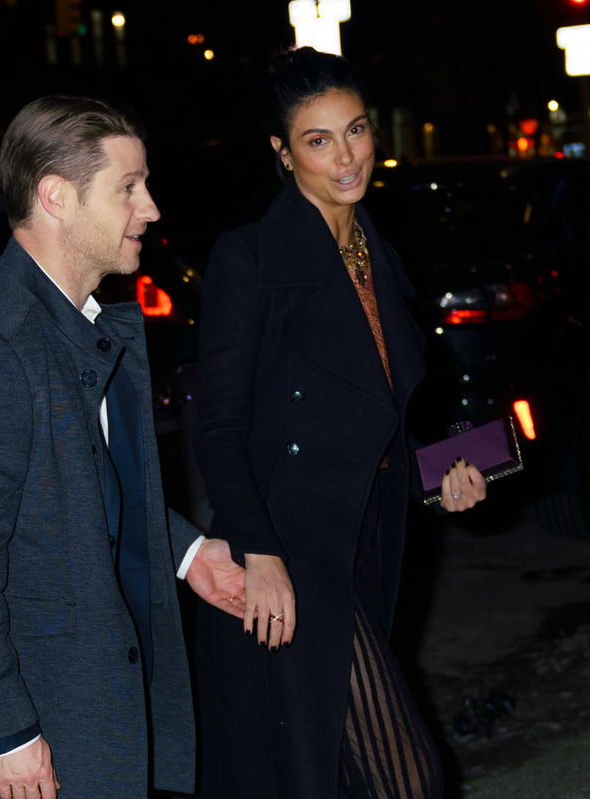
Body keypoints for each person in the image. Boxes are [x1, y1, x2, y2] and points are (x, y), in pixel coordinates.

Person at [0, 95, 246, 799]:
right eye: (128, 187)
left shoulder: (76, 322)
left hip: (78, 703)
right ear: (56, 197)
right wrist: (6, 731)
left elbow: (80, 489)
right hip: (18, 732)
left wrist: (188, 552)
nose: (152, 207)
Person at [192, 48, 486, 799]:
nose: (347, 155)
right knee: (404, 774)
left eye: (355, 130)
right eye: (319, 140)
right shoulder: (250, 259)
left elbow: (372, 426)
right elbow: (217, 427)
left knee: (346, 776)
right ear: (282, 152)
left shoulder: (374, 253)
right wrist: (257, 552)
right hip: (290, 553)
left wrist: (436, 481)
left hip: (362, 542)